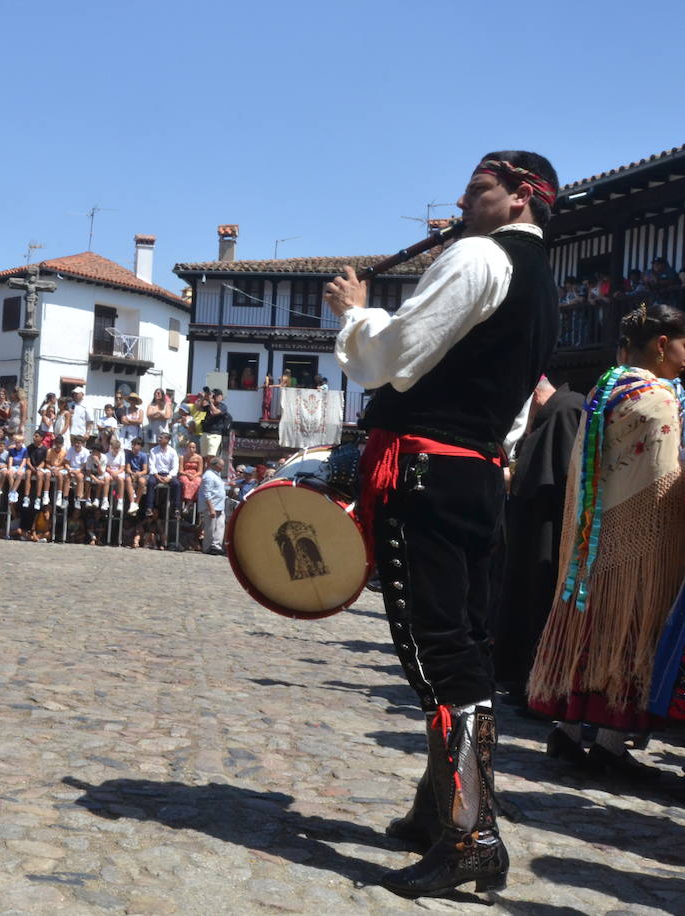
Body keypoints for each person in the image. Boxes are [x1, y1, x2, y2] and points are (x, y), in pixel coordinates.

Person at [323, 151, 560, 898]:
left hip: (425, 471)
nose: (461, 203)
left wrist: (356, 311)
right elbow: (518, 407)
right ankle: (438, 810)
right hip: (478, 471)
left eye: (475, 189)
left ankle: (471, 835)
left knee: (438, 651)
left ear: (520, 195)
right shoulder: (543, 284)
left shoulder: (478, 256)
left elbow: (393, 361)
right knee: (465, 646)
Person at [528, 304, 685, 779]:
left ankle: (568, 731)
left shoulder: (605, 386)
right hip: (641, 541)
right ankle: (613, 746)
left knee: (590, 630)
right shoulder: (658, 396)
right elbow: (665, 480)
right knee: (633, 630)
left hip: (588, 539)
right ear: (662, 343)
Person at [491, 377, 581, 707]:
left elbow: (567, 473)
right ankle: (523, 678)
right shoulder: (548, 413)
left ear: (539, 395)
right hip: (531, 522)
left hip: (551, 524)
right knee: (524, 598)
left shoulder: (568, 409)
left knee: (540, 599)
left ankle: (539, 684)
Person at [198, 456, 227, 554]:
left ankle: (216, 546)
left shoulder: (216, 475)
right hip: (212, 506)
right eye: (221, 465)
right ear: (215, 465)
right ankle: (207, 548)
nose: (223, 467)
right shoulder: (209, 476)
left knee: (220, 526)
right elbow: (207, 493)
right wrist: (211, 508)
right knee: (210, 528)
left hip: (220, 505)